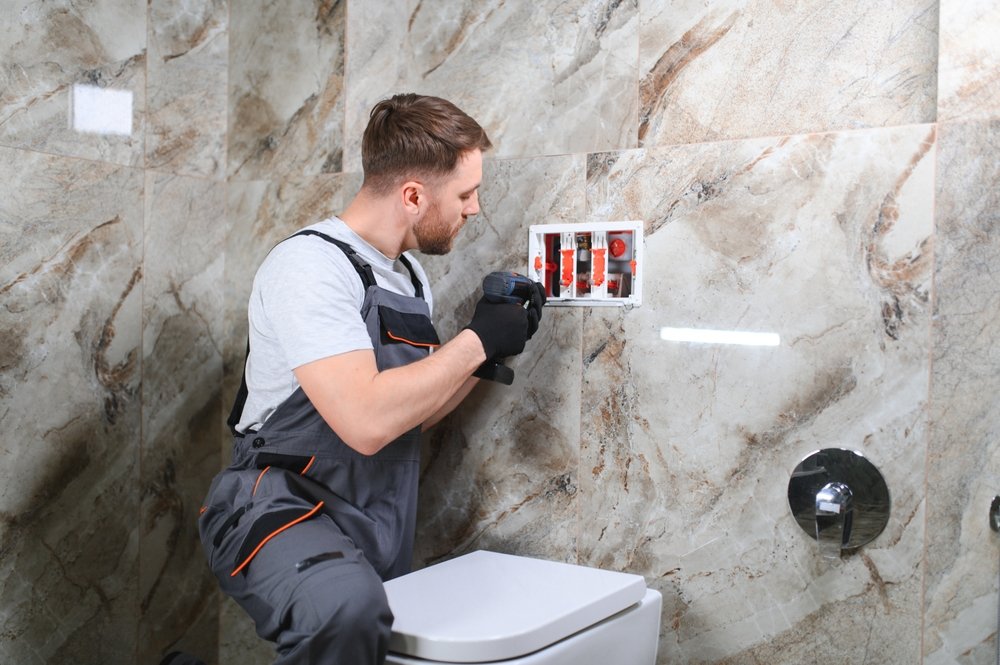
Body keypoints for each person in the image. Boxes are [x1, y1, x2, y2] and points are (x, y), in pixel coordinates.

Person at [187, 93, 545, 665]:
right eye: (465, 193)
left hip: (373, 512)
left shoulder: (408, 278)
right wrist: (474, 339)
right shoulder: (311, 266)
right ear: (412, 196)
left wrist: (491, 351)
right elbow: (367, 420)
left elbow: (411, 411)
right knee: (344, 613)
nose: (474, 208)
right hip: (277, 505)